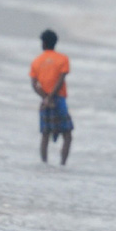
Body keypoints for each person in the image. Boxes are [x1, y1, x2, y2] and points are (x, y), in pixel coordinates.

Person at [29, 28, 73, 165]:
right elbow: (61, 79)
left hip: (45, 101)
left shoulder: (36, 61)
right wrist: (52, 97)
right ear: (55, 43)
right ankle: (63, 164)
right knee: (67, 135)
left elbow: (34, 84)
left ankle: (44, 164)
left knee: (45, 135)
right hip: (58, 100)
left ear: (43, 43)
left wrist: (45, 97)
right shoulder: (63, 59)